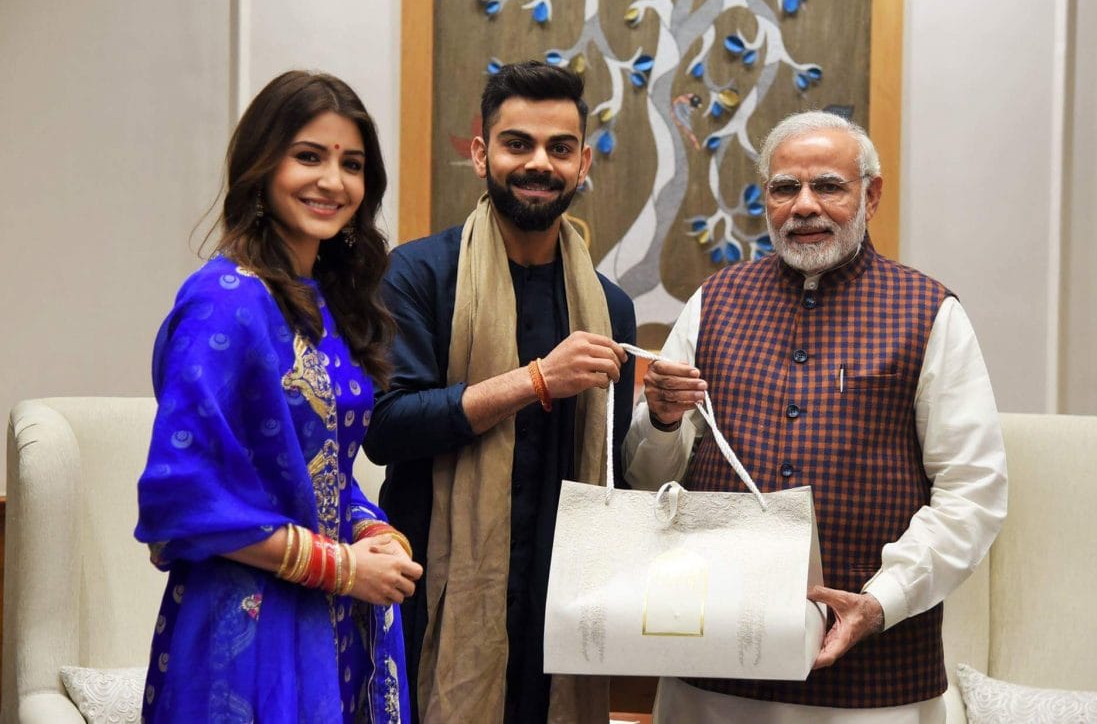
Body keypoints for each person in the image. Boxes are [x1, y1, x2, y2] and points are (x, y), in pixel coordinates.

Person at [623, 111, 1007, 722]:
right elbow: (650, 483)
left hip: (874, 683)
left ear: (870, 195)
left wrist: (879, 602)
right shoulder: (714, 302)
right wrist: (662, 420)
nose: (804, 206)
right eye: (784, 188)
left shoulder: (928, 311)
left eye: (828, 186)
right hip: (713, 672)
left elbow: (973, 493)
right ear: (766, 199)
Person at [135, 70, 423, 723]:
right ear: (260, 166)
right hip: (246, 626)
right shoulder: (222, 301)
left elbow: (320, 473)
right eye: (309, 156)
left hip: (331, 620)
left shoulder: (327, 302)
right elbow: (182, 496)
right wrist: (342, 568)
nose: (333, 181)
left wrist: (371, 531)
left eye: (351, 164)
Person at [362, 60, 636, 723]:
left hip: (562, 611)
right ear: (483, 155)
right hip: (433, 594)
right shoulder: (419, 274)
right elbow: (386, 427)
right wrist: (536, 380)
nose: (539, 163)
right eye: (519, 144)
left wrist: (667, 418)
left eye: (559, 148)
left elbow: (612, 475)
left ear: (583, 162)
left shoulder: (609, 308)